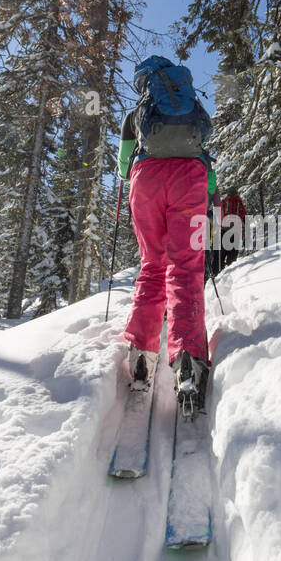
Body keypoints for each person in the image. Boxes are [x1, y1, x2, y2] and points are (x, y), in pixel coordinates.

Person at [118, 55, 216, 413]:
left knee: (153, 266)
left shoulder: (136, 117)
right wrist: (205, 197)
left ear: (143, 83)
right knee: (186, 270)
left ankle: (142, 352)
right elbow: (208, 164)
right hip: (190, 179)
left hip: (146, 182)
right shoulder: (190, 105)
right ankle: (188, 358)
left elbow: (122, 168)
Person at [217, 188, 246, 271]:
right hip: (236, 229)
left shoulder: (224, 202)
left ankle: (220, 270)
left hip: (225, 229)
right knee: (233, 250)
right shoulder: (239, 202)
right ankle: (231, 269)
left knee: (223, 251)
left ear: (228, 194)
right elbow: (243, 214)